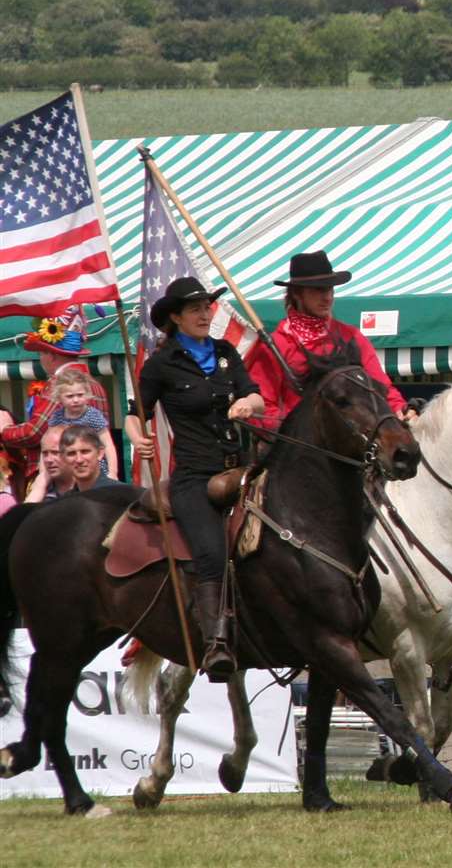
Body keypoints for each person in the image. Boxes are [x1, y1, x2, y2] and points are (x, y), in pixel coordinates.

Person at [138, 276, 266, 679]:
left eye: (207, 306)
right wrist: (137, 437)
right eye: (194, 308)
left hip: (240, 468)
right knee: (211, 551)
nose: (204, 314)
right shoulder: (161, 364)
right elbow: (135, 411)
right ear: (175, 317)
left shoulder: (227, 352)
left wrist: (247, 402)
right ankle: (216, 644)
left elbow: (256, 395)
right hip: (194, 475)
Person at [245, 250, 412, 430]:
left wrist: (400, 409)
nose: (328, 297)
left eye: (330, 289)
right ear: (296, 294)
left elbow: (381, 388)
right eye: (318, 290)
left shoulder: (351, 337)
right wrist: (296, 432)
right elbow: (263, 407)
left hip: (355, 443)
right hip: (301, 449)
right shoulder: (276, 345)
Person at [2, 304, 103, 497]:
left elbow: (34, 432)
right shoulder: (94, 384)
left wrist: (4, 430)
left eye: (41, 353)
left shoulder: (59, 384)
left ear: (52, 355)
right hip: (93, 472)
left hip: (61, 477)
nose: (40, 359)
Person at [43, 368, 118, 480]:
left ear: (87, 394)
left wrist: (113, 472)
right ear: (59, 398)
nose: (76, 400)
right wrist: (43, 474)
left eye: (80, 395)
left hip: (94, 469)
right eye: (70, 396)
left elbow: (107, 444)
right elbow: (48, 444)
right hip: (69, 468)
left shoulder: (92, 415)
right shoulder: (57, 418)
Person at [45, 427, 126, 499]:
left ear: (100, 453)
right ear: (63, 458)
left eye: (85, 452)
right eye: (71, 453)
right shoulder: (66, 502)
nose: (79, 460)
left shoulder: (122, 494)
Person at [23, 426, 72, 502]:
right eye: (45, 453)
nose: (49, 460)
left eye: (55, 452)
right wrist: (38, 490)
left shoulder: (88, 485)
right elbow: (23, 513)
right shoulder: (39, 486)